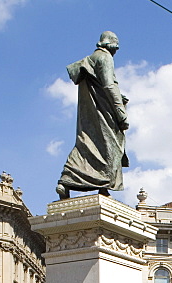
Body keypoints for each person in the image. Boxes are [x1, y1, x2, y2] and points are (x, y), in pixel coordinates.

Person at [56, 31, 130, 199]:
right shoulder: (105, 58)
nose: (116, 52)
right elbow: (108, 85)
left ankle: (66, 181)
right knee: (111, 146)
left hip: (90, 114)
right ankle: (104, 185)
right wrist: (120, 111)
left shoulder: (91, 60)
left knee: (86, 142)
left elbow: (100, 86)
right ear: (110, 45)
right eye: (115, 48)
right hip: (104, 113)